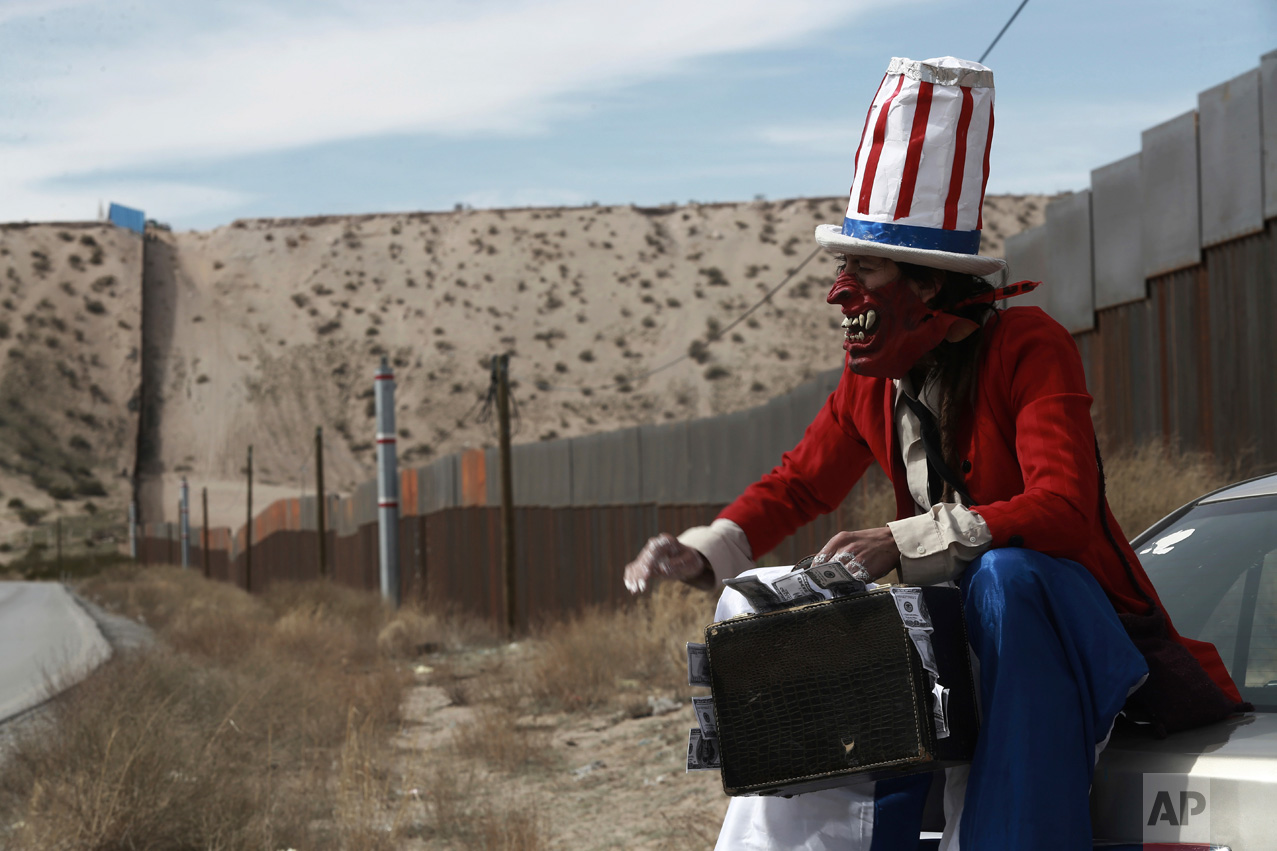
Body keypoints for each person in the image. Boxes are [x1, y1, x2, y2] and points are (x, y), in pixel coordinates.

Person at [623, 56, 1244, 849]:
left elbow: (1062, 506)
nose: (841, 291)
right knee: (765, 594)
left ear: (924, 284)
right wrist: (701, 549)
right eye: (841, 266)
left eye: (863, 267)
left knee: (1006, 575)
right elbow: (800, 481)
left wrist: (904, 539)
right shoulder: (870, 382)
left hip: (1048, 628)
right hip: (954, 636)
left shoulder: (1030, 346)